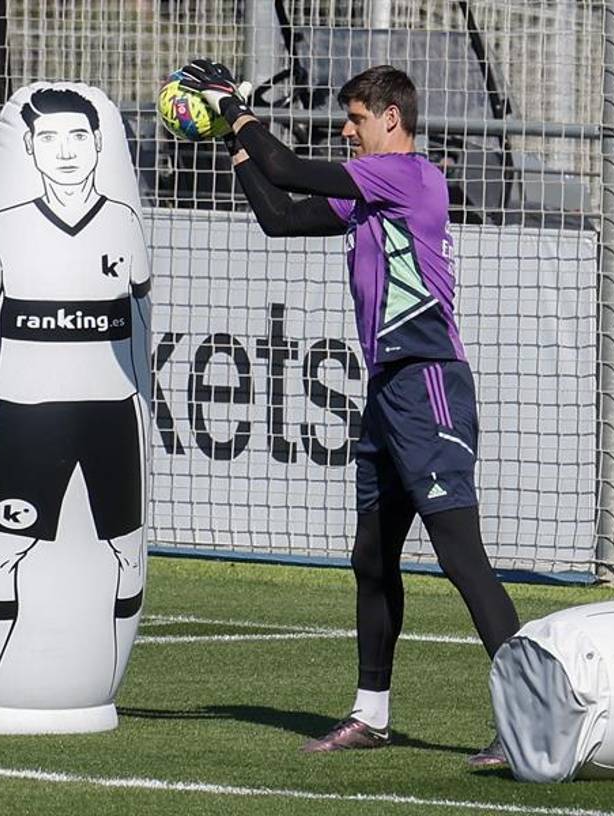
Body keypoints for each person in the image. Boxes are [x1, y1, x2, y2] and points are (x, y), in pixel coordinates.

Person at [177, 60, 520, 766]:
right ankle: (371, 715)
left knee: (461, 555)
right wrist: (229, 137)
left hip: (427, 384)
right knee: (372, 557)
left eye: (357, 117)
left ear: (391, 119)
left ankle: (533, 715)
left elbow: (294, 167)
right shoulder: (370, 194)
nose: (347, 128)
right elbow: (280, 213)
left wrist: (236, 109)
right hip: (388, 394)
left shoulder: (410, 175)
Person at [0, 87, 151, 700]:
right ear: (28, 148)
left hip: (111, 420)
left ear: (99, 144)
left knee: (126, 558)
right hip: (24, 419)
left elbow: (134, 328)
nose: (65, 151)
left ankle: (97, 694)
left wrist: (145, 409)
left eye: (78, 137)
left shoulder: (122, 223)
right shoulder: (3, 229)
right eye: (49, 139)